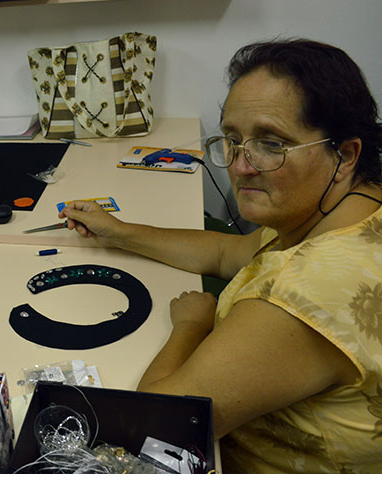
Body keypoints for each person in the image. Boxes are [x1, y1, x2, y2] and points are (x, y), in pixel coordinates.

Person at [59, 39, 382, 473]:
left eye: (271, 143)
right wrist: (118, 232)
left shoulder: (305, 296)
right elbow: (230, 251)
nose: (240, 166)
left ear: (345, 154)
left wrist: (192, 326)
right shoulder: (349, 206)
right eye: (232, 139)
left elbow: (158, 425)